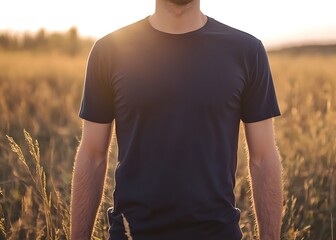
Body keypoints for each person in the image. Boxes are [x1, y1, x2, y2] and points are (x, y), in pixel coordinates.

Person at [70, 0, 283, 239]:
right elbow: (92, 155)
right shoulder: (109, 51)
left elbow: (264, 158)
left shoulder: (247, 51)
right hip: (133, 233)